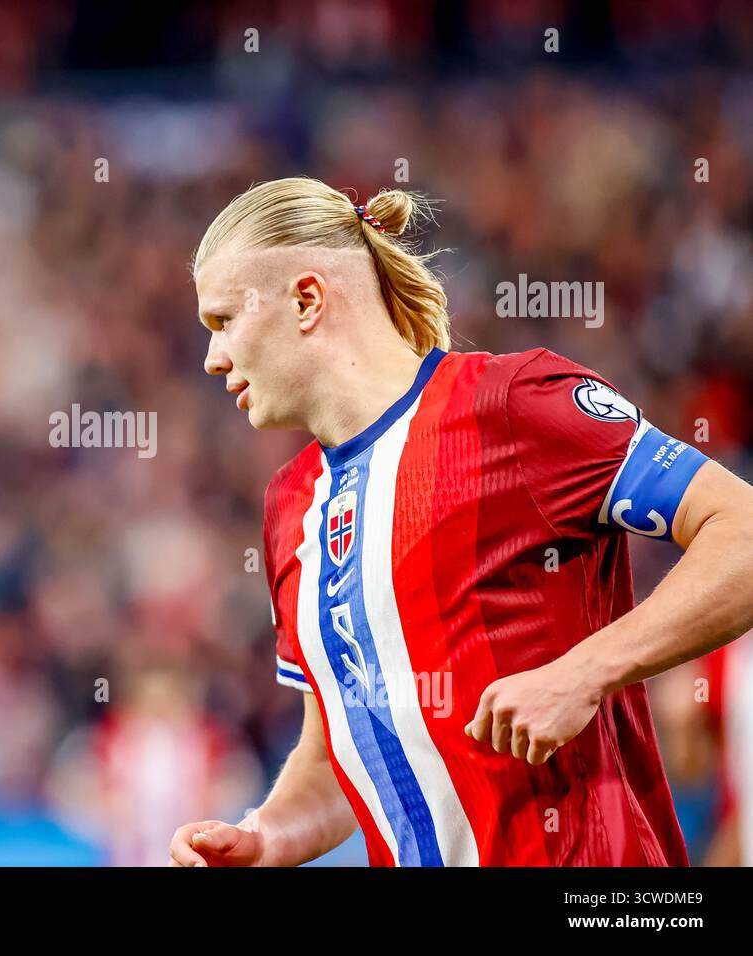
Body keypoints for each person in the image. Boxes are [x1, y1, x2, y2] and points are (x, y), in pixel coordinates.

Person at [169, 177, 753, 866]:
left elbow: (740, 530)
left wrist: (586, 670)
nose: (212, 358)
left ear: (306, 299)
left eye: (223, 321)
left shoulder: (514, 405)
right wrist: (266, 834)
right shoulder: (289, 505)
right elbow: (341, 755)